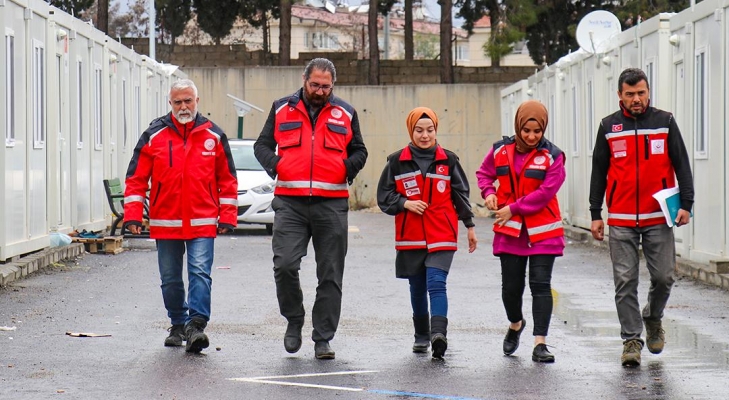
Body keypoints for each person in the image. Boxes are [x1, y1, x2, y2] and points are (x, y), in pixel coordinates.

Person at [254, 58, 368, 360]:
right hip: (290, 204)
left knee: (330, 274)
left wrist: (345, 168)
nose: (320, 91)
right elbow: (262, 145)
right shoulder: (281, 108)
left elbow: (360, 150)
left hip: (331, 205)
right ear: (304, 79)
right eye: (315, 84)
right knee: (285, 265)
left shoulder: (346, 112)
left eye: (326, 86)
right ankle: (294, 319)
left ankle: (322, 338)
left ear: (333, 85)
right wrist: (277, 165)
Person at [589, 67, 694, 367]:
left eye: (641, 93)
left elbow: (681, 163)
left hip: (658, 215)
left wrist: (687, 202)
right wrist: (596, 213)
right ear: (620, 95)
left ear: (648, 92)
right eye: (630, 94)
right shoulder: (609, 126)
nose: (637, 99)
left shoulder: (665, 122)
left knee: (664, 277)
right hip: (620, 217)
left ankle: (653, 317)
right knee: (625, 281)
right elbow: (599, 171)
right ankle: (631, 340)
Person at [124, 78, 238, 353]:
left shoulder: (214, 136)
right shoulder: (154, 135)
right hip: (166, 221)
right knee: (171, 279)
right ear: (170, 103)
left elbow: (228, 179)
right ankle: (177, 323)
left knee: (200, 273)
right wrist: (133, 216)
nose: (183, 106)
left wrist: (228, 217)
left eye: (188, 101)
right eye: (178, 102)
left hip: (202, 221)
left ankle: (195, 325)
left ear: (197, 101)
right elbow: (136, 178)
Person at [377, 107, 478, 359]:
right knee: (417, 287)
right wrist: (405, 203)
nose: (425, 135)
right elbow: (383, 197)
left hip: (442, 233)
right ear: (411, 131)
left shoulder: (449, 160)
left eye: (429, 130)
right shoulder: (396, 161)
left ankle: (438, 335)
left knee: (436, 283)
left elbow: (461, 194)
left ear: (436, 130)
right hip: (410, 236)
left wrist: (469, 226)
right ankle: (421, 335)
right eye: (419, 130)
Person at [476, 100, 566, 363]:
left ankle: (540, 343)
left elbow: (545, 193)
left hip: (543, 232)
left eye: (537, 131)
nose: (531, 136)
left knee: (540, 285)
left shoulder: (553, 156)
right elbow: (484, 174)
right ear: (518, 126)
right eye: (526, 130)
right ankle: (516, 323)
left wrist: (513, 208)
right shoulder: (500, 151)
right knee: (511, 289)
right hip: (510, 231)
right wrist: (489, 193)